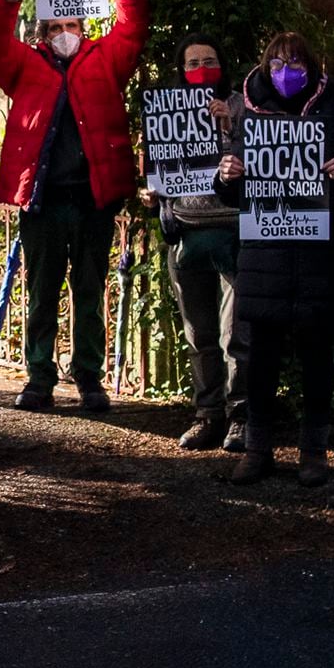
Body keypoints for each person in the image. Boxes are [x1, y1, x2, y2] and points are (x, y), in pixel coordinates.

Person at [0, 0, 149, 412]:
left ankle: (89, 378)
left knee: (90, 290)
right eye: (55, 27)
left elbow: (132, 31)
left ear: (84, 27)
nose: (64, 33)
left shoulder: (104, 58)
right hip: (43, 200)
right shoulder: (24, 65)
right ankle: (39, 378)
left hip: (94, 198)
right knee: (41, 291)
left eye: (72, 24)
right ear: (42, 33)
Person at [213, 33, 334, 487]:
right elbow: (233, 188)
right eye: (277, 62)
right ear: (265, 67)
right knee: (261, 357)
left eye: (296, 61)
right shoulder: (246, 111)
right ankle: (257, 449)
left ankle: (313, 451)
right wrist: (228, 176)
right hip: (266, 255)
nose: (286, 70)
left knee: (318, 356)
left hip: (321, 255)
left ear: (312, 66)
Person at [144, 34, 251, 452]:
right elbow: (156, 171)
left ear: (222, 65)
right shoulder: (166, 112)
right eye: (192, 63)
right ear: (180, 70)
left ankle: (240, 416)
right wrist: (153, 195)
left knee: (234, 333)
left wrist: (229, 128)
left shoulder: (241, 106)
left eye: (209, 60)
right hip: (186, 233)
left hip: (232, 232)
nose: (200, 68)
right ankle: (208, 415)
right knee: (199, 333)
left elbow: (261, 160)